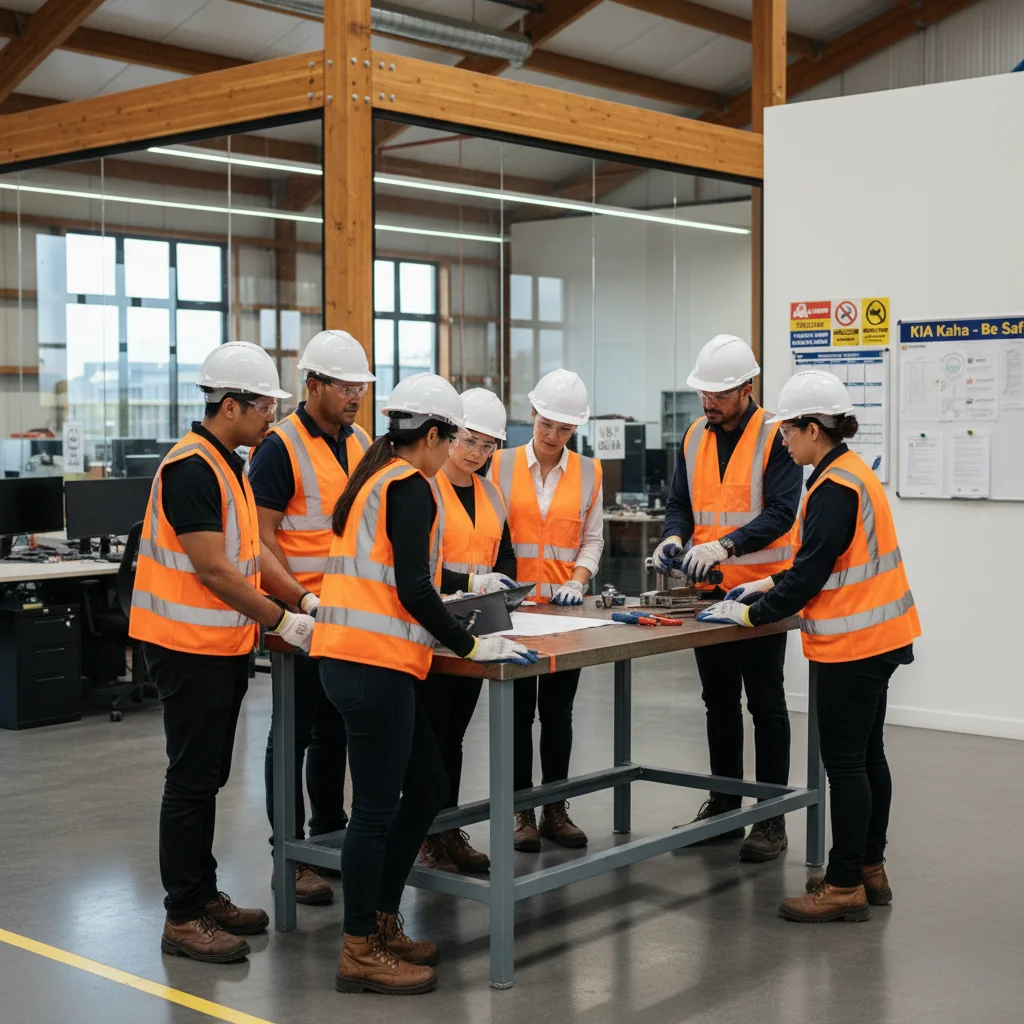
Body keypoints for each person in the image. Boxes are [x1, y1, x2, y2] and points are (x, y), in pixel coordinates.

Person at [311, 372, 538, 996]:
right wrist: (471, 643)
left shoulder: (378, 478)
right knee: (375, 811)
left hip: (364, 660)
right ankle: (359, 947)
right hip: (370, 663)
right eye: (455, 438)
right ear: (433, 435)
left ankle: (383, 920)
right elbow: (414, 589)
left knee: (429, 786)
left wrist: (472, 587)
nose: (459, 450)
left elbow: (406, 575)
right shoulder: (409, 485)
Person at [697, 369, 921, 922]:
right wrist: (766, 582)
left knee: (844, 765)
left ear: (813, 429)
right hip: (881, 637)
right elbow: (819, 561)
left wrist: (751, 612)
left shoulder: (833, 487)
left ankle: (843, 886)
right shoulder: (847, 473)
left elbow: (810, 575)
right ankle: (868, 869)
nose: (782, 440)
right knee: (868, 757)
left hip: (855, 644)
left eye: (787, 430)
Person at [129, 342, 317, 964]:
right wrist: (282, 620)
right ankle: (183, 917)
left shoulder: (227, 463)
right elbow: (213, 570)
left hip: (220, 646)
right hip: (186, 649)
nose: (271, 418)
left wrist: (300, 600)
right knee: (190, 780)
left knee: (209, 777)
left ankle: (203, 894)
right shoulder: (191, 468)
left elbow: (250, 554)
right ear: (229, 405)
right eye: (264, 407)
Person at [651, 335, 802, 862]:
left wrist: (725, 545)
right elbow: (680, 503)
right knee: (718, 701)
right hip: (708, 596)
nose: (708, 402)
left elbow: (782, 512)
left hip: (760, 594)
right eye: (703, 393)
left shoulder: (776, 436)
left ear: (747, 388)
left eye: (718, 394)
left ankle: (771, 818)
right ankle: (724, 806)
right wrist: (674, 536)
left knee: (765, 703)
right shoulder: (694, 435)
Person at [249, 330, 374, 907]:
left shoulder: (362, 442)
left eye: (360, 388)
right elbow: (261, 539)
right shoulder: (280, 447)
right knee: (293, 735)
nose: (355, 397)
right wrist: (299, 601)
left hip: (348, 618)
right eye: (345, 387)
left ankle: (329, 837)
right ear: (313, 385)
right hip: (298, 619)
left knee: (335, 732)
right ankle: (290, 855)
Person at [490, 368, 603, 852]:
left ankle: (555, 807)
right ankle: (522, 811)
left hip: (562, 613)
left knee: (558, 713)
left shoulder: (589, 472)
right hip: (511, 611)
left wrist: (578, 581)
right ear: (532, 413)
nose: (554, 435)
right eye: (546, 424)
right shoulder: (497, 465)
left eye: (564, 428)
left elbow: (592, 539)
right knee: (517, 713)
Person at [415, 387, 518, 875]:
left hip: (474, 631)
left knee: (453, 735)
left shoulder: (492, 493)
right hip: (429, 631)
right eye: (470, 441)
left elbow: (505, 557)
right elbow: (416, 568)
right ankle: (424, 834)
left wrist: (504, 586)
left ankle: (447, 828)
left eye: (487, 445)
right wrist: (472, 582)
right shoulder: (424, 487)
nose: (477, 453)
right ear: (449, 435)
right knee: (430, 737)